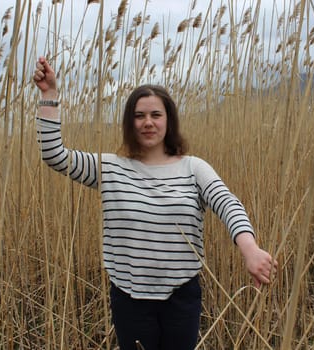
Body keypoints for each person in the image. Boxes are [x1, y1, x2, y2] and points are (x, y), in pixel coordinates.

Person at [33, 56, 278, 350]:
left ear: (169, 120)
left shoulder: (193, 167)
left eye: (155, 115)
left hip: (181, 297)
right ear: (129, 122)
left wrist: (249, 249)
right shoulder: (110, 168)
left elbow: (226, 202)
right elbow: (54, 156)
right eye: (139, 115)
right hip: (129, 298)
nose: (147, 122)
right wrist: (49, 95)